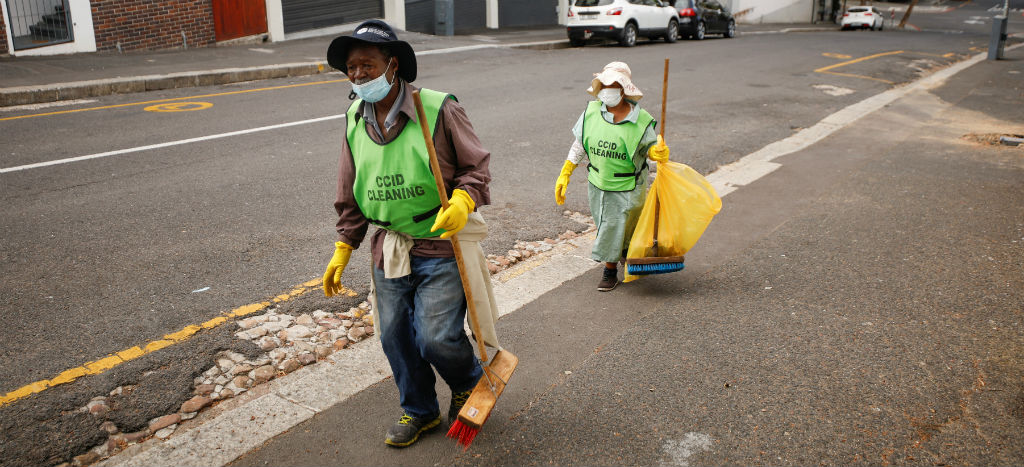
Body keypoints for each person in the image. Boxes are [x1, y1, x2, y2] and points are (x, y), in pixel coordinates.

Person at [321, 20, 492, 448]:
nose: (358, 74)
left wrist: (462, 202)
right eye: (350, 68)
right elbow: (351, 184)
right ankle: (419, 410)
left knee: (435, 336)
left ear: (392, 64)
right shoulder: (353, 118)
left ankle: (468, 380)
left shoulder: (437, 108)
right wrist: (345, 244)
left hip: (439, 243)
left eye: (366, 64)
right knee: (395, 335)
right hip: (388, 248)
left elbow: (476, 168)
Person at [554, 61, 670, 291]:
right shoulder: (591, 113)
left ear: (624, 88)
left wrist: (656, 152)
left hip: (628, 185)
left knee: (615, 226)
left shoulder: (641, 120)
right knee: (607, 225)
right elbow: (579, 146)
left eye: (614, 84)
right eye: (605, 84)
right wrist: (565, 173)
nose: (608, 89)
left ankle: (609, 271)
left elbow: (648, 150)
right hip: (598, 184)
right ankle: (625, 253)